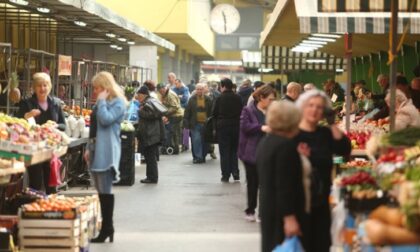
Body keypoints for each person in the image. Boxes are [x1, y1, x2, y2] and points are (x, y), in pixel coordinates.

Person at [295, 90, 351, 252]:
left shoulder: (325, 133)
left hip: (321, 202)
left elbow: (344, 149)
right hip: (299, 202)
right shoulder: (292, 134)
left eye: (320, 107)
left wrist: (332, 123)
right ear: (302, 107)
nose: (314, 110)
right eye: (311, 105)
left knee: (321, 246)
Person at [257, 101, 308, 252]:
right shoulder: (285, 147)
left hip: (269, 207)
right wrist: (289, 217)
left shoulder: (266, 142)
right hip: (282, 212)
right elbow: (284, 185)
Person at [84, 71, 127, 243]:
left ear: (106, 88)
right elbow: (94, 126)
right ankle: (107, 227)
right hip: (95, 147)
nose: (95, 92)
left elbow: (105, 120)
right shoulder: (100, 103)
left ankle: (108, 227)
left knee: (105, 189)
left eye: (97, 88)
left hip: (107, 150)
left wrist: (101, 101)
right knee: (100, 190)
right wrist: (88, 147)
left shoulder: (118, 103)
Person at [17, 72, 66, 194]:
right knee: (36, 183)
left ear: (49, 87)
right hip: (35, 149)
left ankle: (51, 210)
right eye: (39, 85)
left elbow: (63, 125)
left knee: (51, 184)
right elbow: (17, 124)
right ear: (34, 87)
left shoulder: (55, 103)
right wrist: (27, 115)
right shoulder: (27, 103)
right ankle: (34, 209)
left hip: (51, 149)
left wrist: (55, 125)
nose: (42, 88)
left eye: (45, 85)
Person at [238, 84, 276, 222]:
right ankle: (250, 210)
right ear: (261, 97)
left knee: (266, 183)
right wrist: (262, 128)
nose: (272, 102)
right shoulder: (248, 110)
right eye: (270, 99)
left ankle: (263, 212)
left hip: (268, 151)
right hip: (251, 152)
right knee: (253, 183)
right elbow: (245, 127)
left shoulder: (273, 111)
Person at [212, 78, 243, 182]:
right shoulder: (238, 97)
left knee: (224, 151)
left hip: (223, 127)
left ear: (223, 86)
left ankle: (225, 175)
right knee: (234, 151)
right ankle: (235, 173)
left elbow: (214, 113)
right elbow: (241, 111)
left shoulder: (220, 98)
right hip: (236, 126)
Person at [136, 86, 165, 183]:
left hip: (151, 134)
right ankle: (151, 176)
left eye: (139, 95)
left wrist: (140, 112)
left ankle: (152, 177)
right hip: (153, 133)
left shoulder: (148, 103)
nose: (137, 97)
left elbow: (152, 115)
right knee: (150, 156)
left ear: (143, 95)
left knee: (150, 157)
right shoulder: (152, 101)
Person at [183, 83, 212, 164]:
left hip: (205, 124)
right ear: (195, 90)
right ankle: (198, 157)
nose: (199, 91)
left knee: (204, 141)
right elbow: (187, 111)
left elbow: (211, 112)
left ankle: (202, 156)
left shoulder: (208, 99)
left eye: (201, 89)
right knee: (196, 140)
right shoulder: (192, 99)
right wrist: (186, 122)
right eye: (198, 89)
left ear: (204, 90)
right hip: (195, 124)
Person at [157, 83, 183, 155]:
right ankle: (173, 148)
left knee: (173, 132)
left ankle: (174, 149)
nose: (160, 93)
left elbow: (175, 107)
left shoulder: (170, 95)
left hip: (176, 115)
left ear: (165, 88)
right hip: (172, 115)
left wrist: (165, 113)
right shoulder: (164, 94)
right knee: (172, 132)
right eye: (159, 91)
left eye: (161, 91)